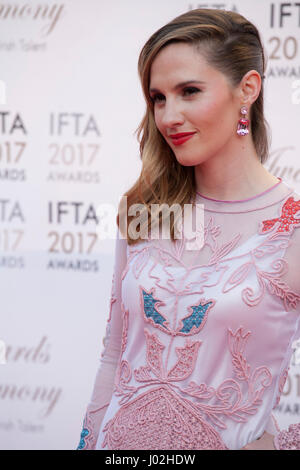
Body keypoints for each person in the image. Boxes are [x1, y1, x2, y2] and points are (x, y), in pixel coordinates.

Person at [77, 8, 300, 450]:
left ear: (247, 90)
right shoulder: (142, 209)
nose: (168, 116)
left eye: (189, 91)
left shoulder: (292, 227)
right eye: (158, 98)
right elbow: (114, 354)